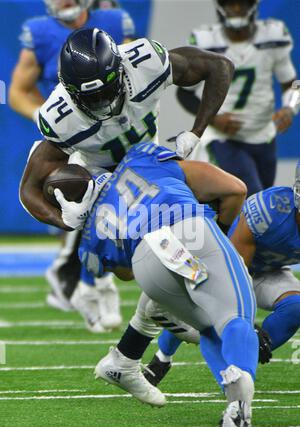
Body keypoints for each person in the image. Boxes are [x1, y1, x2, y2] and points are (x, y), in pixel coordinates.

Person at [19, 28, 235, 331]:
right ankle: (102, 284)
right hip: (103, 180)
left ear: (121, 69)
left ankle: (209, 281)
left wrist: (195, 132)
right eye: (89, 97)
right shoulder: (60, 116)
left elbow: (220, 67)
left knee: (230, 192)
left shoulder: (144, 63)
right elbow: (28, 189)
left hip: (150, 160)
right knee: (130, 270)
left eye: (106, 90)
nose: (101, 103)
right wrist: (66, 220)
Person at [77, 141, 258, 427]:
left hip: (146, 263)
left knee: (209, 329)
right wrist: (218, 239)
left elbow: (124, 274)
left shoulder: (90, 234)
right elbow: (235, 189)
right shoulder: (140, 158)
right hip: (188, 229)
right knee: (235, 317)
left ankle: (234, 405)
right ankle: (240, 399)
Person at [9, 0, 135, 324]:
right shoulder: (39, 32)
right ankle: (86, 283)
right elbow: (18, 91)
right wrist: (50, 121)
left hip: (117, 126)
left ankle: (80, 279)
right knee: (87, 202)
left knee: (114, 209)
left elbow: (128, 74)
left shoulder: (113, 21)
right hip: (73, 136)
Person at [144, 158, 300, 390]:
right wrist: (246, 320)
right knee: (197, 309)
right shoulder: (271, 210)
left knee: (296, 306)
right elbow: (235, 268)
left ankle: (244, 362)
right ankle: (161, 358)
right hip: (226, 264)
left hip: (270, 271)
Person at [177, 0, 299, 196]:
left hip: (263, 135)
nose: (235, 9)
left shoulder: (273, 36)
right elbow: (184, 93)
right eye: (230, 4)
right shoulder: (206, 41)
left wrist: (289, 107)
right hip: (225, 138)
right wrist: (214, 119)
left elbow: (293, 84)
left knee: (262, 203)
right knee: (253, 197)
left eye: (241, 4)